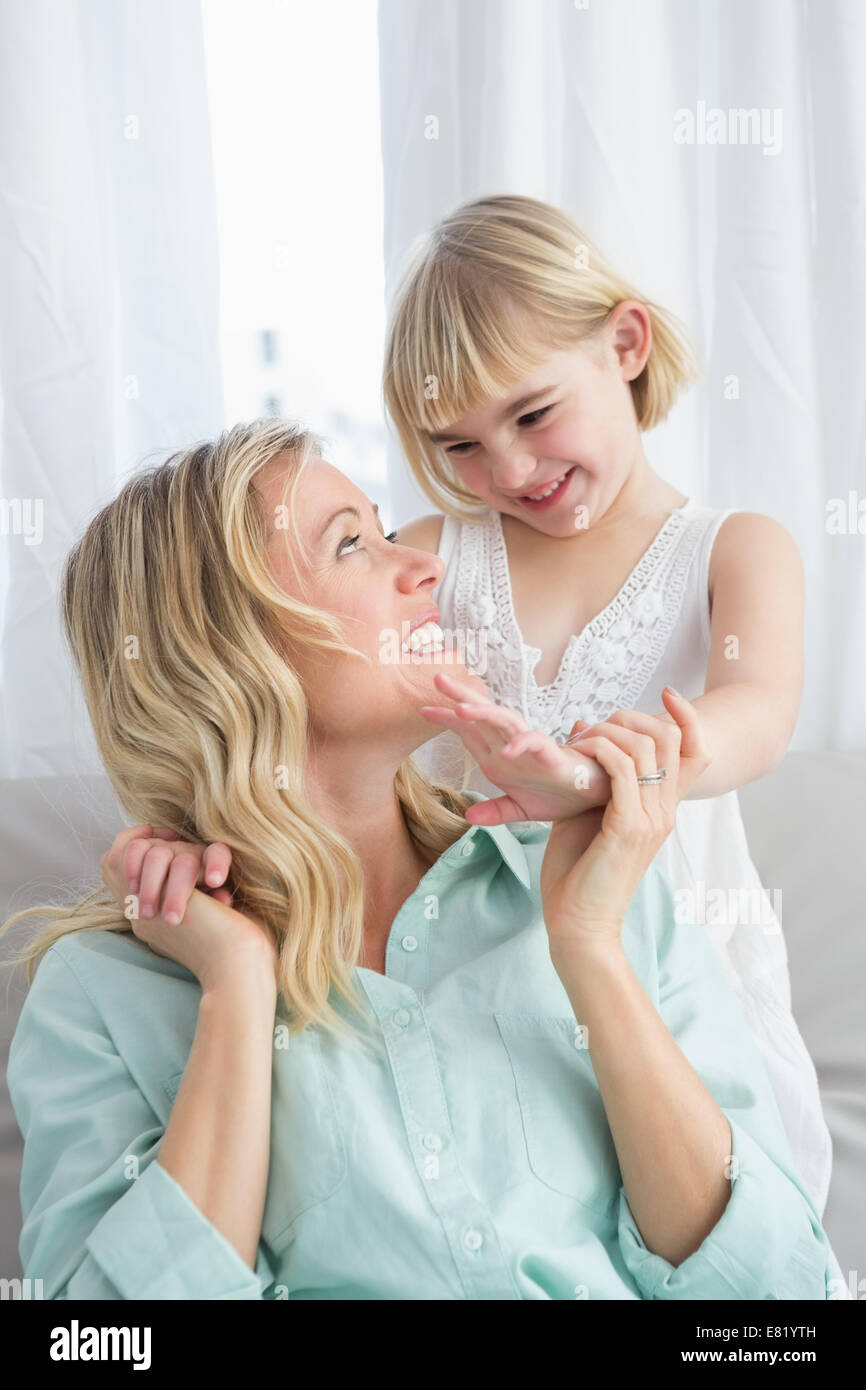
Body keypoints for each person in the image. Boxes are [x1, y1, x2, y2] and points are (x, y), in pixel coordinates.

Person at [2, 418, 831, 1299]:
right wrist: (237, 990)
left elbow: (777, 1309)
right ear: (227, 654)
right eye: (351, 545)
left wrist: (589, 946)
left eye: (382, 530)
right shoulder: (101, 994)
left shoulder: (602, 884)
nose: (425, 566)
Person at [384, 193, 835, 1230]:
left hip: (676, 993)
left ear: (623, 343)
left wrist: (602, 779)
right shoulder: (428, 554)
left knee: (703, 1237)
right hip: (481, 996)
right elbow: (327, 712)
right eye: (456, 445)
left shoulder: (733, 548)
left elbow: (752, 716)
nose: (506, 471)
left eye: (532, 414)